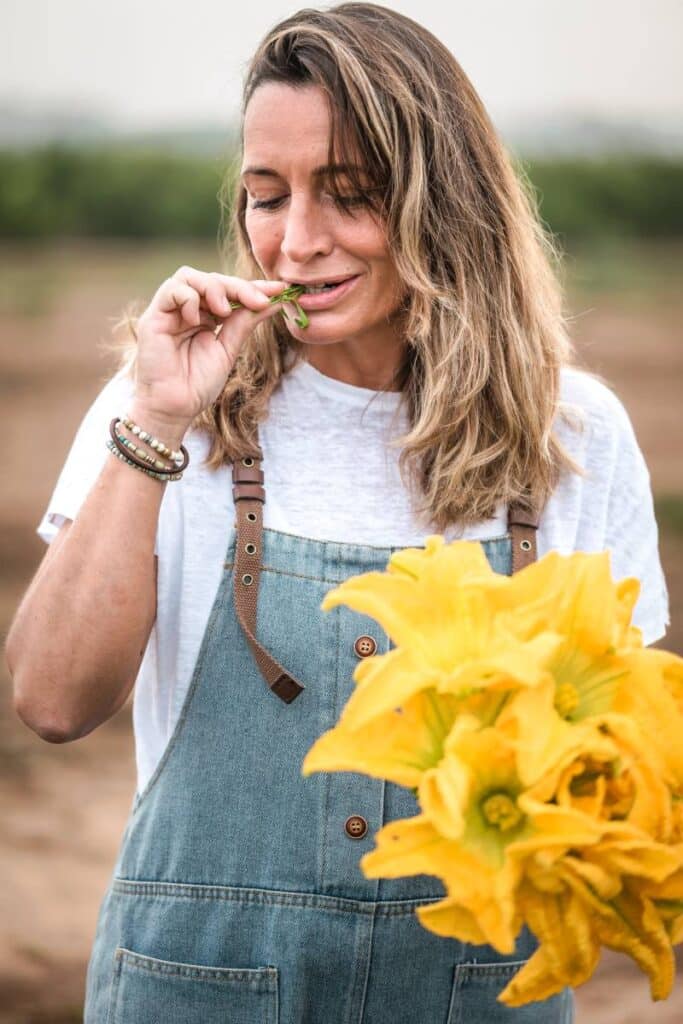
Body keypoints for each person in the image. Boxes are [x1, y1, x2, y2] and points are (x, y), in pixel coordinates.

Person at [6, 4, 669, 1022]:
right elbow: (50, 703)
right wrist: (155, 420)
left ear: (444, 201)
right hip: (197, 989)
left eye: (349, 195)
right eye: (265, 196)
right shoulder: (165, 410)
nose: (295, 241)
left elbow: (624, 764)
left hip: (474, 996)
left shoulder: (572, 434)